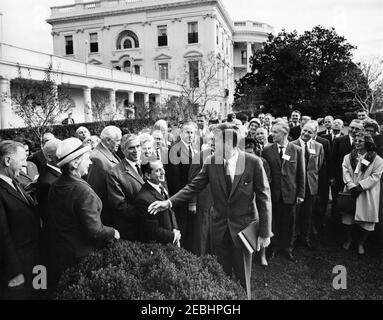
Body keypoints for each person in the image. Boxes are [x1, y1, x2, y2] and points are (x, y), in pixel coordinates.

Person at [148, 123, 272, 291]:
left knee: (244, 278)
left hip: (244, 230)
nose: (211, 143)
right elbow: (193, 186)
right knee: (222, 275)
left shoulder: (253, 162)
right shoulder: (211, 161)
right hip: (219, 229)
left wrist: (264, 233)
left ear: (229, 143)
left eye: (215, 140)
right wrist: (168, 202)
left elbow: (264, 199)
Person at [48, 138, 119, 278]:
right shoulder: (82, 190)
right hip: (84, 256)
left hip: (65, 252)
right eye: (87, 159)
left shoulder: (55, 185)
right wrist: (113, 232)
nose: (90, 162)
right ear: (75, 163)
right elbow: (95, 230)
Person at [0, 140, 41, 299]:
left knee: (40, 292)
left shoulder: (14, 181)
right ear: (7, 161)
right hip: (19, 268)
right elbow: (3, 236)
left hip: (35, 260)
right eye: (22, 160)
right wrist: (14, 272)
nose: (25, 165)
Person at [261, 120, 305, 262]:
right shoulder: (267, 150)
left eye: (275, 132)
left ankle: (287, 248)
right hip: (273, 193)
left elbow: (301, 174)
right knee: (273, 221)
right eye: (272, 131)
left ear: (285, 133)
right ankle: (273, 248)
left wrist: (301, 194)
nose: (272, 134)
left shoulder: (297, 150)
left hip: (290, 194)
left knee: (289, 222)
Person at [341, 132, 383, 255]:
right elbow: (345, 172)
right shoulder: (348, 157)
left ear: (368, 143)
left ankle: (361, 243)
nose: (357, 143)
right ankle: (349, 239)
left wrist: (361, 187)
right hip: (351, 190)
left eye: (360, 141)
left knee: (367, 220)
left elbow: (376, 176)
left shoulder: (377, 159)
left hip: (367, 192)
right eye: (356, 140)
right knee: (347, 217)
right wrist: (351, 186)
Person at [166, 122, 199, 251]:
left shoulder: (195, 148)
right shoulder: (175, 150)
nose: (190, 135)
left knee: (191, 227)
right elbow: (174, 179)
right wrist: (183, 198)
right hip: (181, 196)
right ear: (181, 133)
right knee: (182, 226)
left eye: (192, 132)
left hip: (192, 195)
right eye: (187, 132)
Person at [292, 121, 324, 249]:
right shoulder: (291, 145)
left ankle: (305, 237)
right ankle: (293, 237)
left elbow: (319, 165)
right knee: (295, 213)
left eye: (310, 132)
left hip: (310, 185)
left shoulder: (318, 146)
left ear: (314, 133)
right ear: (301, 129)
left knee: (308, 213)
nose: (306, 133)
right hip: (295, 185)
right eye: (305, 130)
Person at [106, 134, 144, 241]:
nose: (136, 150)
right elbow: (119, 205)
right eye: (131, 148)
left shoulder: (148, 165)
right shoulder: (115, 173)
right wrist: (145, 214)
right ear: (123, 150)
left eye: (138, 146)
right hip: (133, 229)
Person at [135, 160, 180, 245]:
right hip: (159, 247)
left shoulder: (160, 187)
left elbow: (170, 211)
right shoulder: (143, 199)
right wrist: (173, 236)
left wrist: (175, 229)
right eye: (158, 170)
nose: (163, 172)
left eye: (162, 168)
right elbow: (153, 230)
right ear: (147, 175)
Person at [87, 126, 122, 226]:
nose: (119, 143)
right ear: (107, 140)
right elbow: (97, 191)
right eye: (118, 140)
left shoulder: (108, 151)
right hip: (107, 215)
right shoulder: (96, 158)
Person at [331, 120, 364, 218]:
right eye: (352, 127)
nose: (353, 130)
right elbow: (333, 160)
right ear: (348, 127)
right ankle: (335, 224)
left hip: (356, 180)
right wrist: (332, 177)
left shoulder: (363, 142)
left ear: (361, 130)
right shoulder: (339, 140)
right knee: (337, 202)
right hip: (339, 178)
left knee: (352, 203)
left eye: (357, 129)